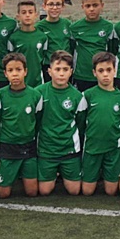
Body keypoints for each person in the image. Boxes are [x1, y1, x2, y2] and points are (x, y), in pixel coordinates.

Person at [35, 51, 87, 196]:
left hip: (69, 150)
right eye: (57, 69)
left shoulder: (78, 96)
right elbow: (36, 121)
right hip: (46, 150)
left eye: (65, 69)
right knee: (44, 191)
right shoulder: (39, 93)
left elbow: (81, 124)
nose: (61, 73)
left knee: (74, 191)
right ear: (49, 71)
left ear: (71, 72)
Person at [80, 52, 120, 196]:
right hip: (92, 148)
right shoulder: (87, 95)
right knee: (87, 191)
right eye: (101, 71)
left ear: (115, 71)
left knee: (111, 191)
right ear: (94, 73)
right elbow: (81, 122)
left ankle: (108, 176)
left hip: (113, 149)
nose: (105, 74)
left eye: (109, 70)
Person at [0, 53, 42, 198]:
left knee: (32, 192)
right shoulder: (0, 95)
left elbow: (38, 120)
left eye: (18, 69)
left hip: (28, 147)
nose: (15, 74)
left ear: (25, 71)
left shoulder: (35, 95)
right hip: (7, 147)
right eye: (10, 70)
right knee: (3, 194)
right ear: (5, 73)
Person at [69, 0, 113, 92]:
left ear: (102, 5)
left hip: (101, 76)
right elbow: (71, 50)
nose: (92, 9)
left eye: (95, 5)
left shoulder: (108, 27)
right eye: (88, 6)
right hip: (81, 76)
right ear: (82, 7)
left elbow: (112, 51)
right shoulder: (74, 28)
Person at [7, 0, 49, 87]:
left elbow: (43, 58)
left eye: (30, 12)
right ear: (18, 16)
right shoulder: (13, 38)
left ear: (36, 15)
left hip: (37, 82)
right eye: (23, 12)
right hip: (18, 82)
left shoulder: (42, 37)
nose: (27, 15)